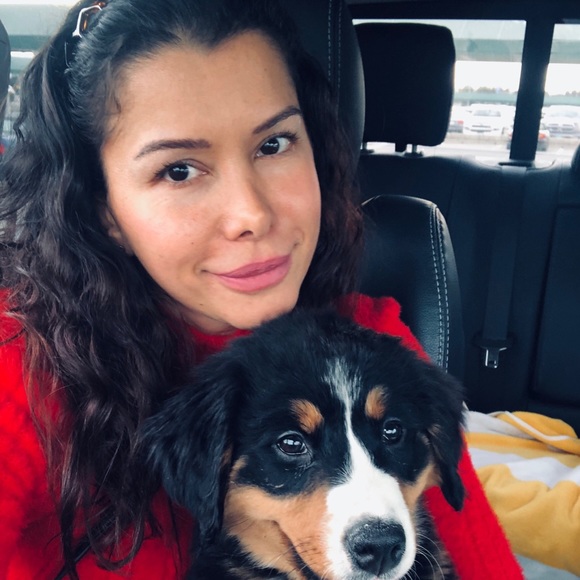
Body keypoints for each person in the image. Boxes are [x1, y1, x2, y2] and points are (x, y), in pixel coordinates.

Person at [0, 0, 523, 578]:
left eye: (274, 144)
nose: (251, 213)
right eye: (179, 169)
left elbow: (481, 559)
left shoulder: (372, 345)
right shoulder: (23, 360)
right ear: (105, 211)